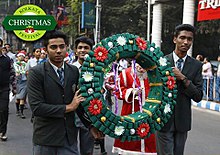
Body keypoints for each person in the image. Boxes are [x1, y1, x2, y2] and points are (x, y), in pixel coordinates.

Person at [27, 30, 102, 155]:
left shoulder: (73, 71)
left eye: (62, 46)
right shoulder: (37, 73)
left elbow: (79, 102)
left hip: (69, 138)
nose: (58, 51)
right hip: (46, 138)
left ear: (67, 47)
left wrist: (90, 126)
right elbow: (37, 108)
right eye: (53, 47)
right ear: (46, 49)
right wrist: (69, 107)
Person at [156, 24, 203, 155]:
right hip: (163, 120)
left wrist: (183, 78)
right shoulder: (161, 62)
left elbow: (198, 96)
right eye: (182, 37)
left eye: (189, 39)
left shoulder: (196, 65)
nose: (186, 42)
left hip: (183, 122)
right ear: (175, 39)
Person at [112, 63, 157, 154]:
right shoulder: (126, 73)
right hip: (130, 112)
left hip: (149, 114)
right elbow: (118, 91)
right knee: (129, 142)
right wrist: (131, 92)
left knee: (150, 141)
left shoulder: (153, 74)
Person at [72, 36, 95, 155]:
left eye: (86, 48)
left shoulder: (97, 70)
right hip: (71, 113)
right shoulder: (69, 69)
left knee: (87, 150)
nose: (82, 50)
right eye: (80, 47)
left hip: (88, 114)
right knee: (70, 149)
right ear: (75, 50)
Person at [0, 47, 17, 141]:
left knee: (3, 110)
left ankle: (2, 131)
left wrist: (14, 88)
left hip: (4, 88)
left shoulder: (7, 60)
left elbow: (12, 74)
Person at [14, 50, 28, 119]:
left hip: (24, 81)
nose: (21, 57)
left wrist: (24, 72)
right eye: (20, 56)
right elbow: (16, 70)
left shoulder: (25, 64)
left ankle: (22, 112)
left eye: (22, 56)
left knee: (22, 97)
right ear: (17, 57)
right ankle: (17, 110)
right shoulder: (15, 64)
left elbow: (25, 70)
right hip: (17, 82)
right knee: (17, 98)